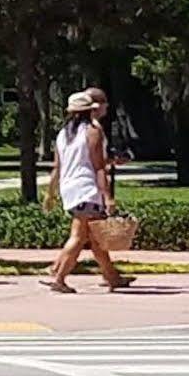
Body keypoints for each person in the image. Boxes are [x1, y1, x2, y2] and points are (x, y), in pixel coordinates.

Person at [44, 89, 130, 293]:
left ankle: (112, 277)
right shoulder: (92, 131)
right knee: (78, 236)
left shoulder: (63, 134)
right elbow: (98, 166)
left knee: (96, 237)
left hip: (69, 189)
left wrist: (50, 193)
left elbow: (57, 166)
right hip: (87, 189)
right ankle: (59, 277)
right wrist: (107, 196)